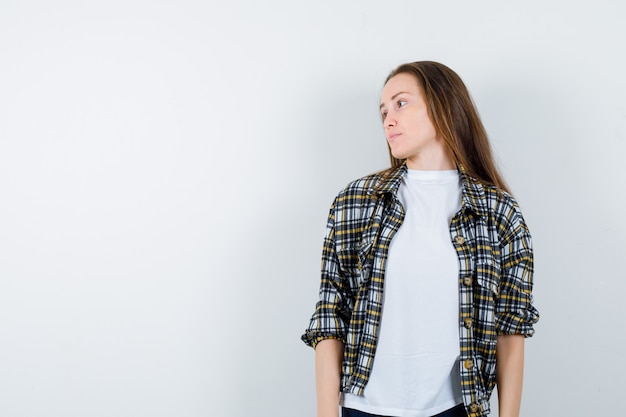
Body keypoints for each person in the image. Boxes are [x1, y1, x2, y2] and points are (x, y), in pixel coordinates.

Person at [301, 61, 539, 417]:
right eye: (383, 111)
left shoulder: (498, 211)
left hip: (454, 408)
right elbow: (331, 315)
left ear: (443, 104)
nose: (388, 120)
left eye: (400, 103)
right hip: (363, 408)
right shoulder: (356, 202)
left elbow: (510, 328)